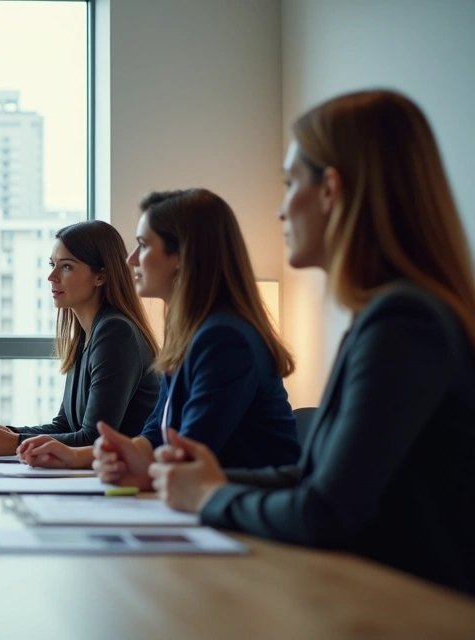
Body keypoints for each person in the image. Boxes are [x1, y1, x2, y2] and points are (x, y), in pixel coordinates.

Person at [148, 90, 475, 595]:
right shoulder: (386, 316)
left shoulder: (404, 321)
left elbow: (325, 512)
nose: (280, 210)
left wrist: (210, 496)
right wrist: (210, 482)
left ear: (330, 191)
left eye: (289, 184)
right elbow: (312, 478)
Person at [19, 189, 301, 485]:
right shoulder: (190, 335)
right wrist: (79, 456)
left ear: (181, 256)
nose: (130, 260)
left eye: (143, 245)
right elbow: (155, 433)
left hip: (248, 519)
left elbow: (184, 454)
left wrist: (127, 463)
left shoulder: (225, 339)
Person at [0, 220, 160, 456]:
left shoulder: (116, 332)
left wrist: (14, 443)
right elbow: (64, 426)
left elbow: (93, 438)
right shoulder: (85, 335)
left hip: (123, 483)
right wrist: (3, 432)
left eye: (66, 266)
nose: (51, 276)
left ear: (100, 276)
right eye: (52, 264)